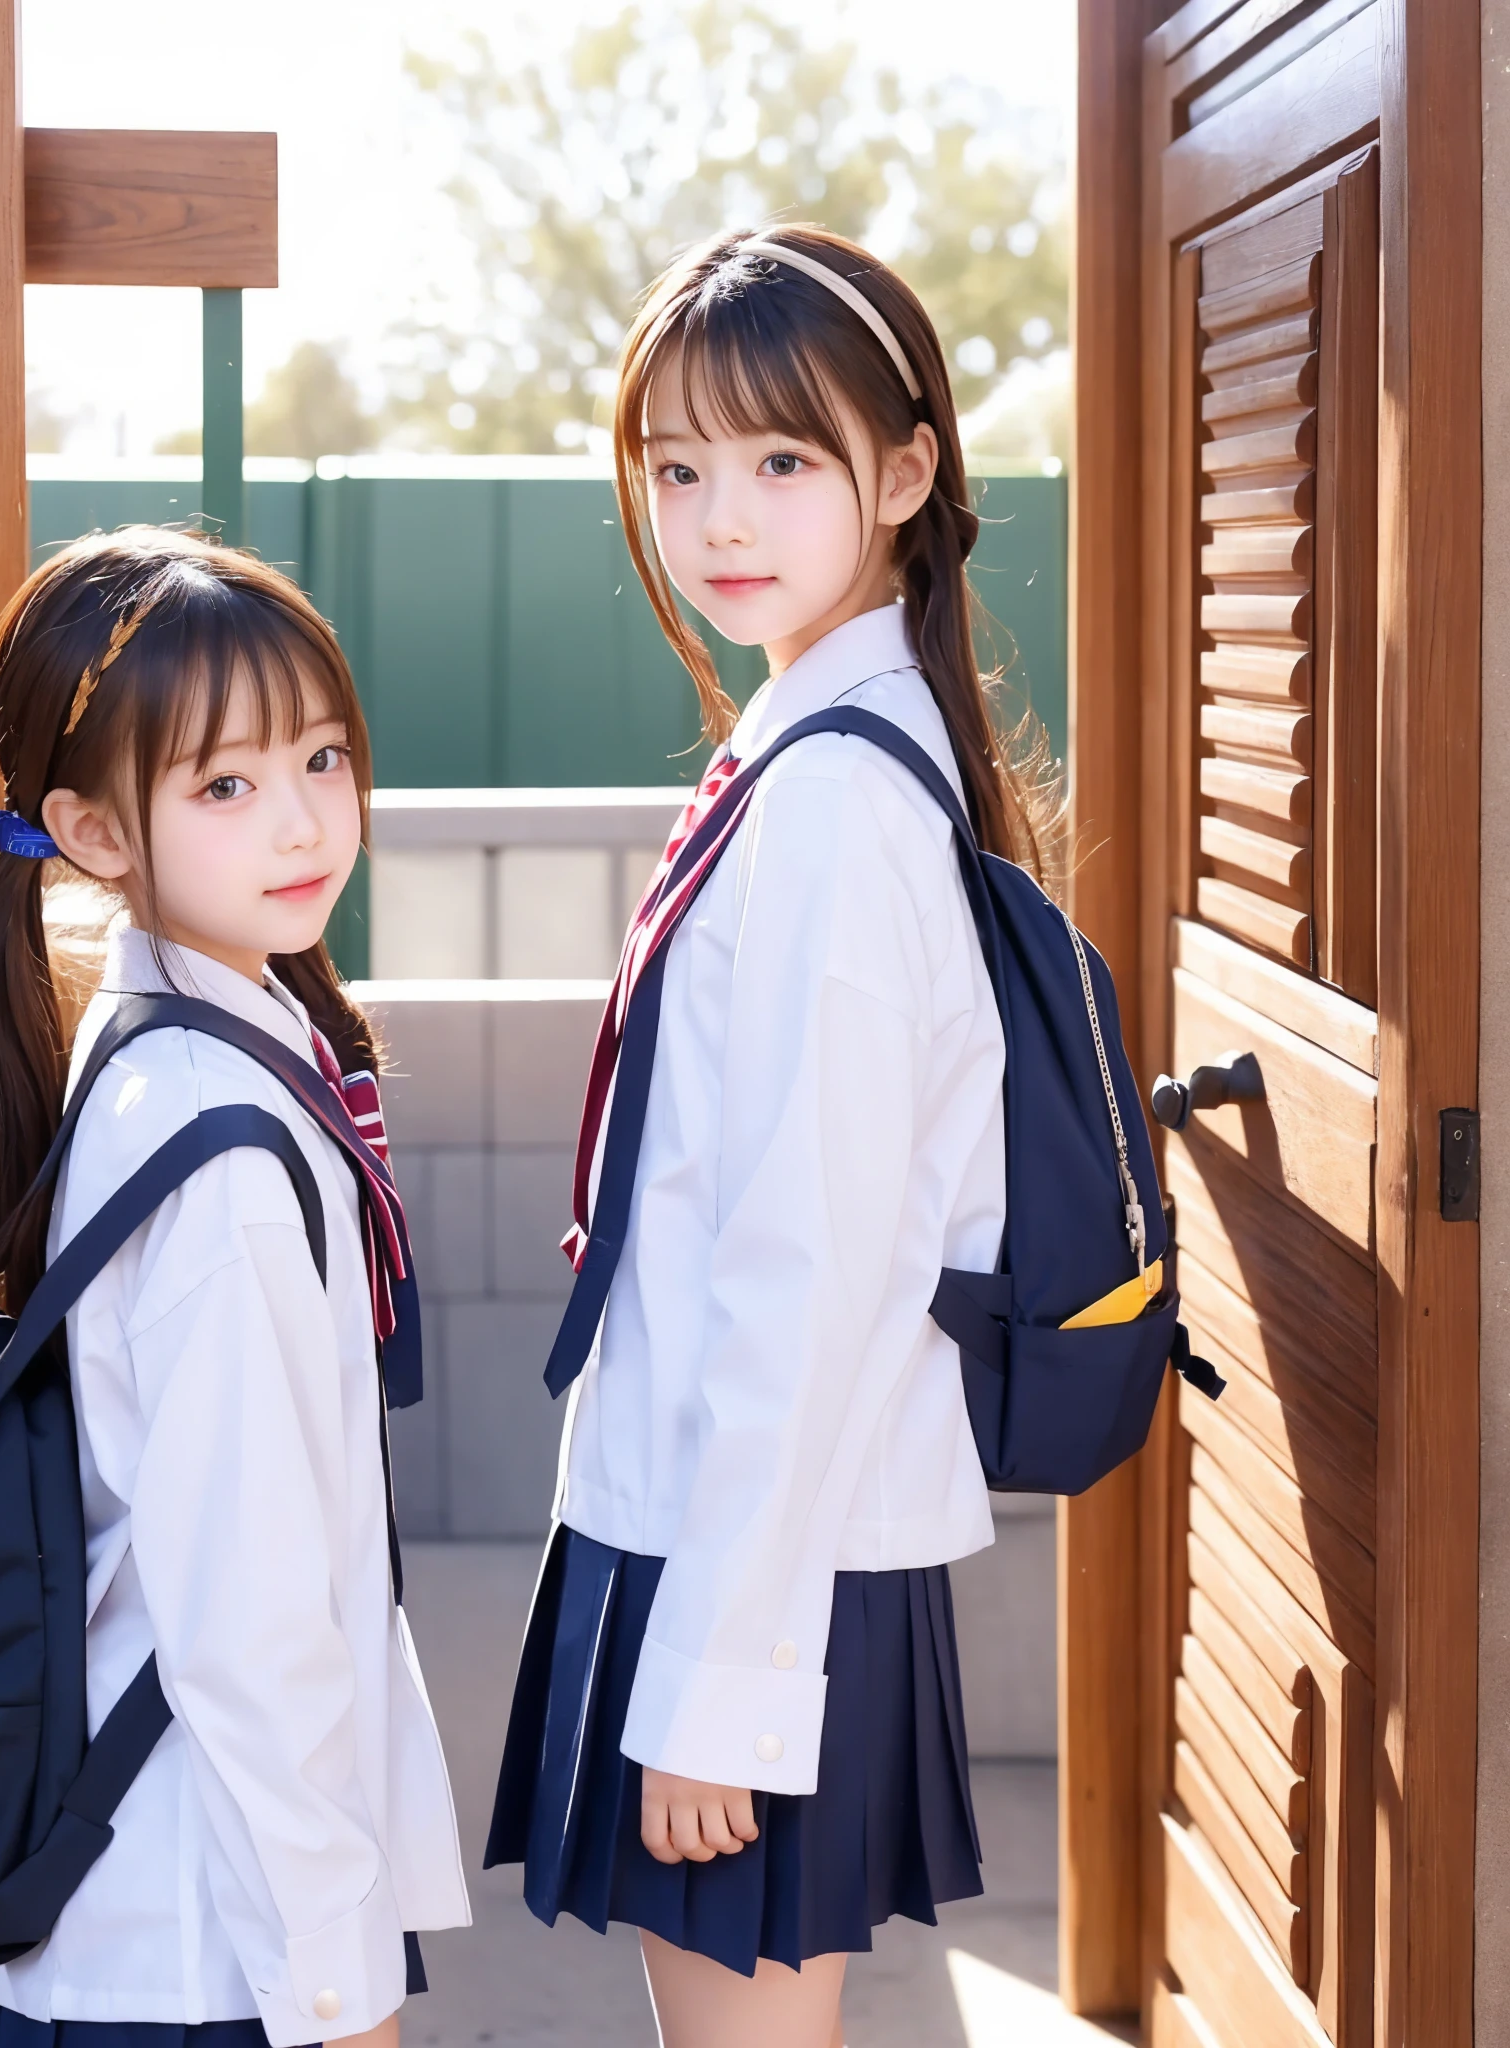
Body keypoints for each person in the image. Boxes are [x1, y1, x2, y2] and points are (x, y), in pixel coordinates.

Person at [487, 227, 1049, 2048]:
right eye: (675, 467)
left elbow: (818, 1268)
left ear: (904, 473)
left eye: (781, 461)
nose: (719, 515)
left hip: (752, 1563)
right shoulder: (822, 751)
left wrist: (724, 1679)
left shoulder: (833, 806)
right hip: (739, 1529)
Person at [0, 529, 469, 2048]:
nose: (300, 819)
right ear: (94, 831)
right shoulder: (214, 1143)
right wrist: (336, 1983)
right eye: (224, 785)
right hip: (190, 1955)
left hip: (165, 1920)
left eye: (320, 756)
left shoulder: (184, 1048)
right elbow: (248, 1609)